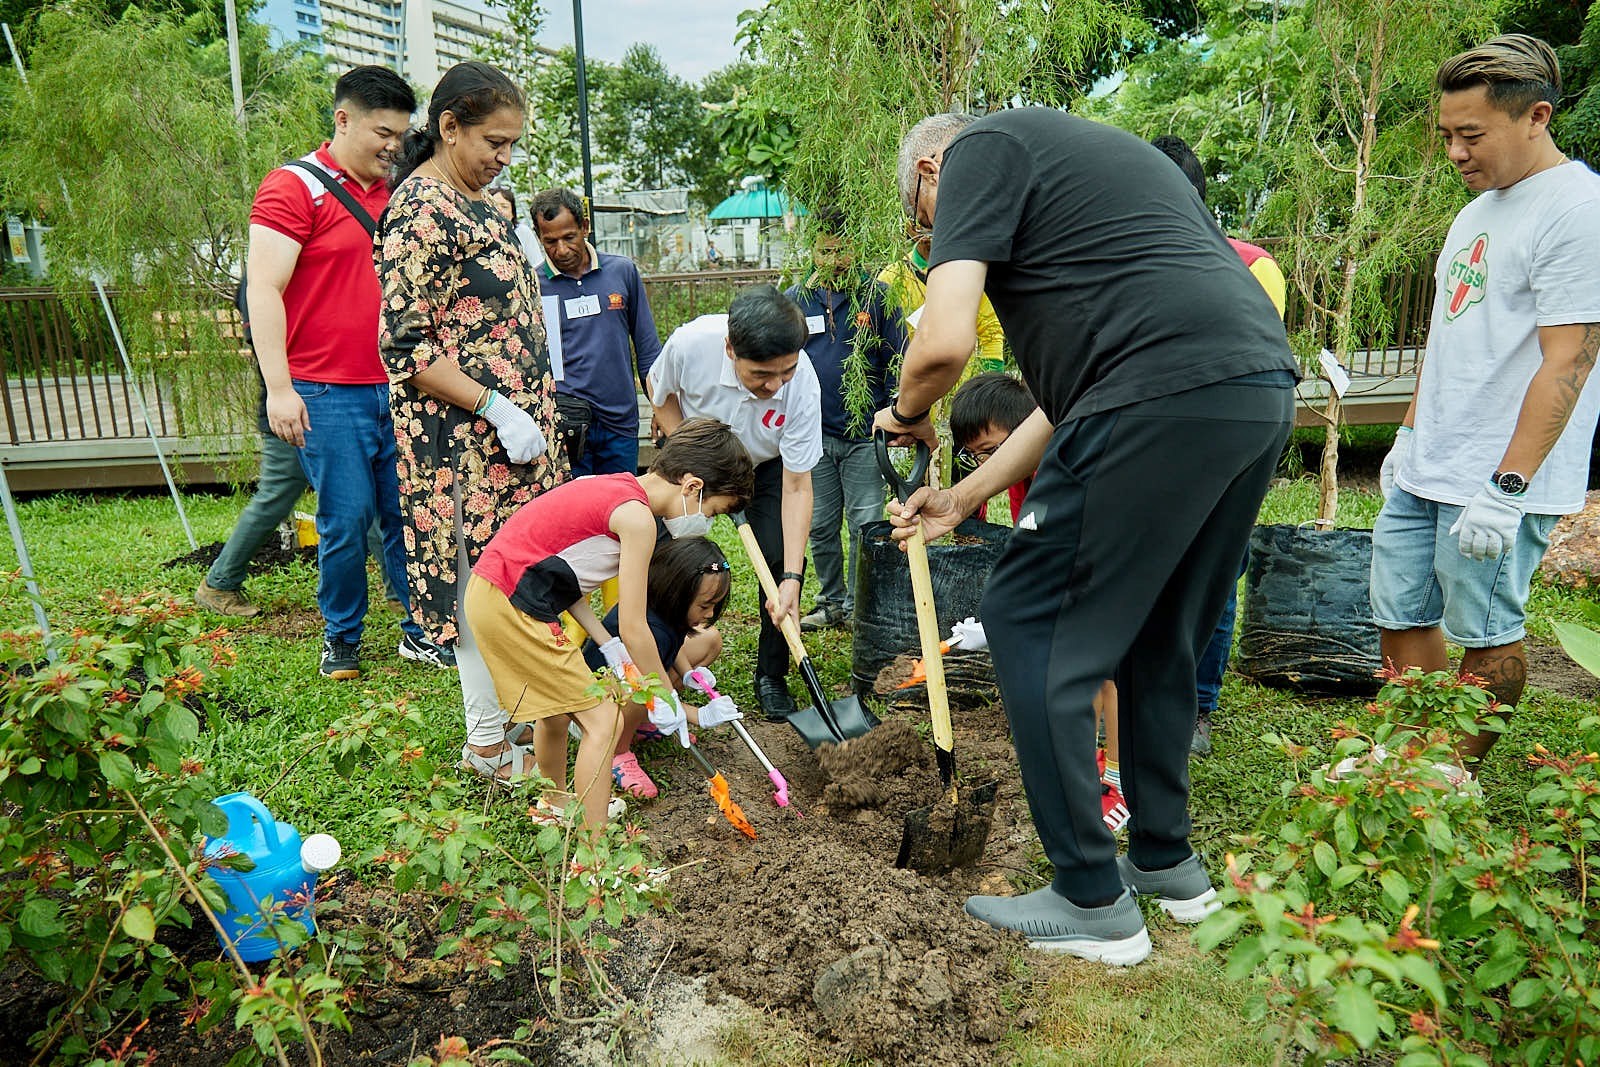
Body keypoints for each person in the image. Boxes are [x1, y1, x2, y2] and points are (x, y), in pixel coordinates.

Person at [876, 109, 1296, 965]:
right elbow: (1064, 407)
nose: (938, 233)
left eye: (928, 222)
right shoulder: (1083, 173)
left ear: (929, 169)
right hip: (1250, 386)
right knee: (1159, 629)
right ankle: (1166, 862)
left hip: (1156, 388)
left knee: (1030, 621)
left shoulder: (977, 154)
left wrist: (907, 413)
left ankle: (1090, 897)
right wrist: (961, 497)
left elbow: (943, 340)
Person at [1373, 34, 1600, 768]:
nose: (1455, 153)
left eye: (1471, 134)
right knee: (1399, 609)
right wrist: (1408, 439)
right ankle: (1414, 758)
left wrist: (1507, 489)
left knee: (1486, 625)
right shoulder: (1476, 212)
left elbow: (1570, 357)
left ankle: (1455, 772)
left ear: (1536, 116)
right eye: (1447, 135)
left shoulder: (1578, 209)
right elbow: (1447, 337)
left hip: (1500, 473)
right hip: (1430, 459)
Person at [379, 61, 567, 785]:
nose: (505, 156)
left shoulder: (488, 203)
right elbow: (404, 345)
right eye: (494, 140)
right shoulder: (421, 210)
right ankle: (487, 745)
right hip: (463, 445)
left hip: (515, 439)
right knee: (475, 588)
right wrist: (492, 405)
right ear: (448, 126)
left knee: (516, 577)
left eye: (514, 144)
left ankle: (522, 722)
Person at [242, 65, 448, 680]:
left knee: (408, 514)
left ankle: (420, 629)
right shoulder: (292, 188)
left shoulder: (402, 191)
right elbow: (264, 290)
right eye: (382, 132)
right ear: (343, 119)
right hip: (327, 391)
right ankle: (343, 637)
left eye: (400, 134)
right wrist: (279, 388)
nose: (393, 145)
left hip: (403, 385)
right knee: (345, 518)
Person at [464, 417, 754, 829]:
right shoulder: (637, 520)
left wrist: (605, 642)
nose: (705, 522)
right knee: (604, 721)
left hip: (495, 593)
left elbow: (565, 576)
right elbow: (635, 625)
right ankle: (593, 855)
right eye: (712, 510)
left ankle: (555, 807)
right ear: (692, 487)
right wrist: (664, 697)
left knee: (558, 713)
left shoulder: (616, 487)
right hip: (513, 602)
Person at [1150, 134, 1290, 756]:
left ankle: (1200, 705)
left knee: (1216, 572)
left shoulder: (1253, 263)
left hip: (1227, 442)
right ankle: (1150, 698)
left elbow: (1254, 362)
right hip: (1156, 443)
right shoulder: (1143, 259)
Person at [948, 371, 1127, 834]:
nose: (990, 463)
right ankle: (1090, 771)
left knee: (1108, 675)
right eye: (978, 457)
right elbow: (1033, 546)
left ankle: (1120, 782)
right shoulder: (1020, 479)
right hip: (1072, 574)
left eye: (993, 451)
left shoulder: (1073, 464)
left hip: (1112, 568)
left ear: (1031, 428)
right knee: (1075, 673)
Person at [648, 285, 823, 722]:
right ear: (730, 349)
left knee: (778, 557)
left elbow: (798, 485)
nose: (775, 384)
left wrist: (793, 578)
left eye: (786, 371)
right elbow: (659, 391)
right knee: (661, 559)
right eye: (762, 374)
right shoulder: (691, 345)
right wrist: (683, 449)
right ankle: (658, 663)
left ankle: (772, 675)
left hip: (765, 467)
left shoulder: (802, 385)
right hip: (694, 459)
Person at [785, 206, 907, 632]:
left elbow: (899, 357)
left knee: (864, 524)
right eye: (824, 251)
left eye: (841, 250)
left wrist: (892, 412)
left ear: (854, 248)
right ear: (812, 252)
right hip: (812, 436)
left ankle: (860, 605)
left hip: (863, 436)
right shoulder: (797, 299)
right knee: (819, 524)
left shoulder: (877, 297)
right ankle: (831, 601)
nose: (833, 260)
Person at [582, 535, 731, 798]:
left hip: (638, 679)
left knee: (709, 640)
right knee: (641, 689)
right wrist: (698, 715)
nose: (709, 614)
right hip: (599, 701)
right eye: (705, 605)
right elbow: (647, 684)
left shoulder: (667, 610)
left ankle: (640, 722)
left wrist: (688, 674)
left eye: (715, 606)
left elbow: (669, 651)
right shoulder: (649, 627)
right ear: (677, 592)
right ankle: (618, 751)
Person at [532, 187, 662, 477]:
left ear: (585, 228)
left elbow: (648, 348)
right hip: (568, 426)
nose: (562, 250)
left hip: (619, 423)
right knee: (579, 515)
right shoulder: (535, 285)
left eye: (569, 237)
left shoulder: (622, 272)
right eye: (550, 241)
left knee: (622, 507)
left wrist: (659, 407)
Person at [485, 184, 545, 269]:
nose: (499, 210)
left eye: (504, 206)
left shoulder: (522, 231)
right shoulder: (480, 233)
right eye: (494, 206)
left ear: (513, 213)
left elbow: (537, 264)